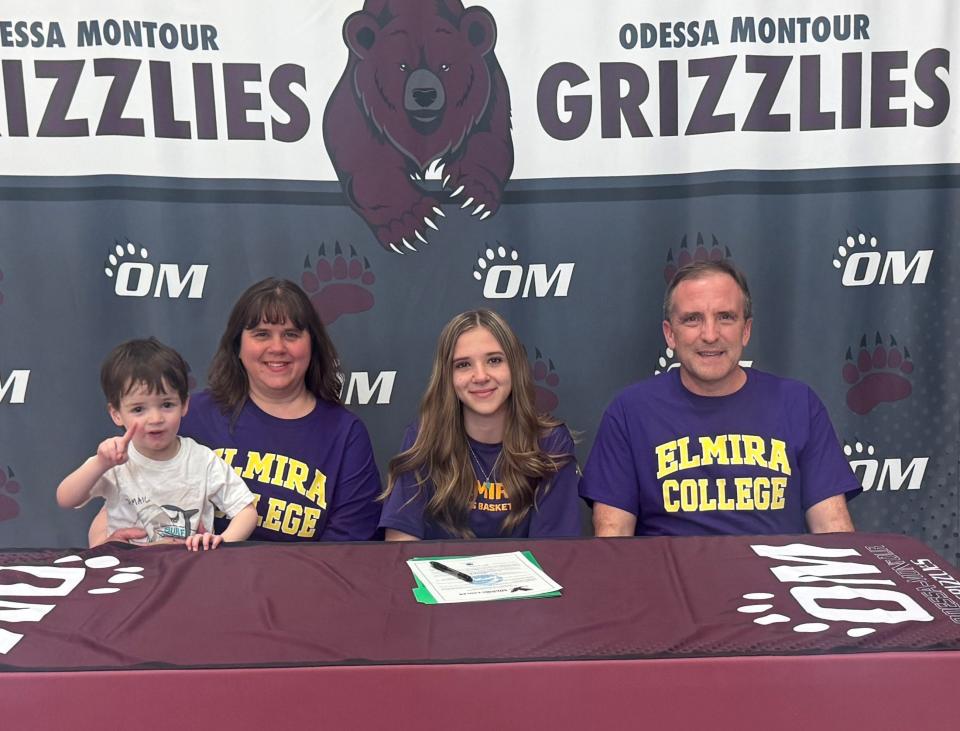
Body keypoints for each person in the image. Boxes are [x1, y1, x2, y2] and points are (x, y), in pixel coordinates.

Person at [89, 278, 382, 545]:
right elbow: (126, 496)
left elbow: (346, 550)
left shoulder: (345, 433)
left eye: (291, 334)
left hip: (299, 590)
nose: (277, 347)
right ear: (237, 346)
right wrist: (110, 544)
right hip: (196, 584)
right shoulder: (189, 417)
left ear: (312, 345)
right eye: (262, 334)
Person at [580, 259, 860, 537]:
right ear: (670, 334)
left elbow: (833, 530)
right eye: (693, 319)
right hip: (669, 579)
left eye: (725, 317)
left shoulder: (798, 403)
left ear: (746, 330)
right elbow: (612, 539)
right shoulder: (630, 412)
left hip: (773, 578)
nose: (710, 335)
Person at [379, 309, 581, 540]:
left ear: (515, 367)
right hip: (438, 576)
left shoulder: (551, 443)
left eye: (494, 360)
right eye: (463, 365)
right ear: (448, 377)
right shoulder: (424, 438)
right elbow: (400, 547)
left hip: (528, 576)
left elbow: (554, 555)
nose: (481, 375)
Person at [59, 338, 258, 551]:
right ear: (116, 414)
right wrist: (99, 463)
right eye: (138, 409)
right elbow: (66, 498)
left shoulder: (202, 459)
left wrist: (221, 543)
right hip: (127, 571)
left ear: (184, 405)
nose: (155, 418)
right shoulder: (113, 459)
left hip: (187, 570)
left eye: (166, 405)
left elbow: (246, 512)